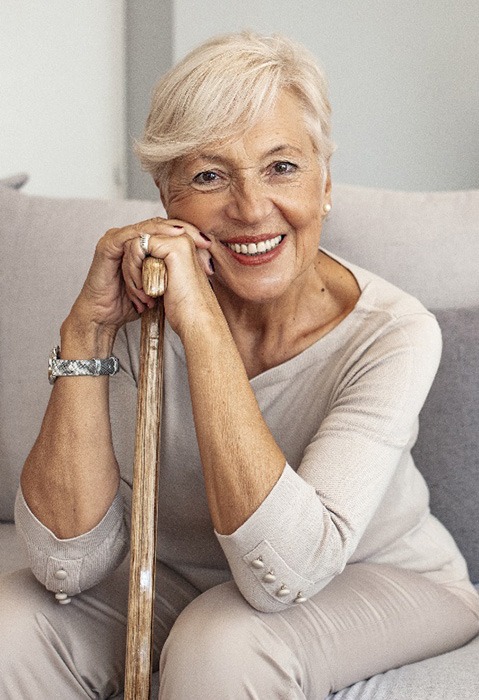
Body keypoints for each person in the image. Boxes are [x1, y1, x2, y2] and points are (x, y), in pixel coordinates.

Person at [2, 31, 479, 699]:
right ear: (168, 199)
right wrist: (87, 329)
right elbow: (64, 565)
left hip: (377, 577)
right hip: (181, 574)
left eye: (281, 167)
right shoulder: (133, 308)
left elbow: (281, 573)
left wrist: (201, 328)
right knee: (9, 628)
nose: (251, 208)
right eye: (208, 175)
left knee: (220, 646)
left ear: (325, 183)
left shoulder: (393, 332)